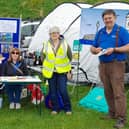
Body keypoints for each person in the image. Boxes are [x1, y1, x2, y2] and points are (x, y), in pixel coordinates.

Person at [90, 9, 129, 129]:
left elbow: (128, 46)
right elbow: (92, 47)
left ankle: (121, 118)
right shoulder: (101, 32)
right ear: (103, 20)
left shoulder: (121, 31)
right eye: (105, 18)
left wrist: (114, 49)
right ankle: (112, 113)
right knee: (107, 91)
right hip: (103, 65)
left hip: (116, 64)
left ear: (115, 18)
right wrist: (95, 50)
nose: (108, 20)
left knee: (118, 92)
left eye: (110, 18)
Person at [42, 26, 72, 115]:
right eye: (52, 33)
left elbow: (69, 57)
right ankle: (55, 108)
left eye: (56, 33)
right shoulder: (46, 44)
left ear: (59, 34)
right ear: (49, 35)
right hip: (51, 72)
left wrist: (69, 71)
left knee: (63, 90)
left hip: (62, 72)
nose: (54, 34)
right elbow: (43, 57)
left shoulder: (65, 44)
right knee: (53, 91)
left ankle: (68, 108)